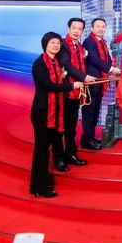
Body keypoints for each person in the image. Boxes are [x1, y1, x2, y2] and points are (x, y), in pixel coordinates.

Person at [30, 32, 82, 198]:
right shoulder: (39, 64)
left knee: (48, 149)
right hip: (42, 112)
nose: (56, 45)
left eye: (58, 43)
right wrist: (71, 86)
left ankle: (39, 186)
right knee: (42, 150)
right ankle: (41, 187)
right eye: (52, 43)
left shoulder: (57, 63)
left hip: (55, 111)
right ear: (45, 44)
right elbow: (48, 85)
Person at [58, 18, 96, 166]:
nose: (76, 31)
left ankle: (71, 154)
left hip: (76, 91)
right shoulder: (62, 45)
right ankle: (59, 158)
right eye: (74, 28)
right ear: (68, 29)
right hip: (65, 91)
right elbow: (66, 65)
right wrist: (85, 77)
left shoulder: (79, 47)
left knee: (71, 126)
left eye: (79, 29)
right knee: (60, 126)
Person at [81, 18, 121, 150]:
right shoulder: (89, 42)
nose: (101, 28)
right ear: (92, 28)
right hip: (92, 81)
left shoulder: (102, 43)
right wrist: (111, 69)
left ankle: (89, 137)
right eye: (98, 26)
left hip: (100, 81)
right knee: (89, 111)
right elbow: (94, 60)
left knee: (96, 111)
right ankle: (87, 139)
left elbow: (107, 59)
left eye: (103, 26)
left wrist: (111, 68)